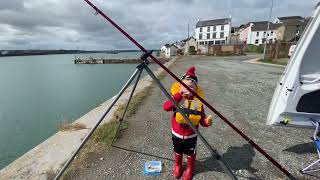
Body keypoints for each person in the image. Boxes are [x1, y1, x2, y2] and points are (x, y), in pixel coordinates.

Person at [163, 66, 212, 180]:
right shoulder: (177, 98)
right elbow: (166, 107)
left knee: (191, 152)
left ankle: (190, 168)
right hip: (177, 133)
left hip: (192, 135)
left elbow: (202, 120)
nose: (187, 89)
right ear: (180, 86)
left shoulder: (198, 103)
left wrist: (206, 122)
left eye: (191, 86)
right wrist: (179, 95)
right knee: (178, 150)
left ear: (195, 89)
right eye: (184, 86)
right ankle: (178, 165)